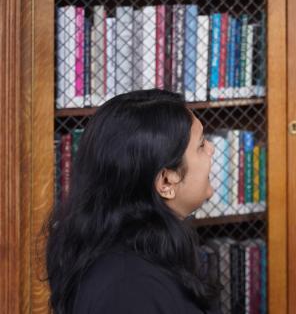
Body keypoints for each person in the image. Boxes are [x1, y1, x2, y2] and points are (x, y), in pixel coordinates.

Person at [45, 89, 219, 314]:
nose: (212, 149)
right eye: (201, 144)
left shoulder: (146, 250)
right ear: (166, 181)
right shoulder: (128, 289)